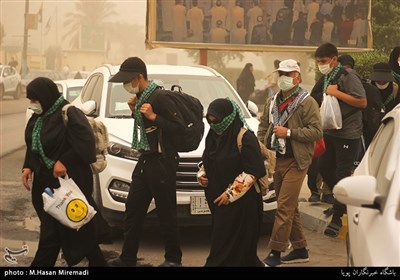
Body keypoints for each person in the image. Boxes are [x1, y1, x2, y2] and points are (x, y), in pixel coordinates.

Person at [22, 77, 106, 266]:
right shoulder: (39, 117)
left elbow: (86, 145)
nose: (32, 105)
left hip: (67, 183)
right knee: (76, 229)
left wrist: (64, 161)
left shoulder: (69, 113)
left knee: (51, 237)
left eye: (34, 100)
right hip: (45, 182)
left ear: (45, 96)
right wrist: (27, 166)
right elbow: (32, 145)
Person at [107, 57, 183, 267]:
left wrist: (153, 116)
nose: (125, 85)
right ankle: (128, 257)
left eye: (128, 80)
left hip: (163, 161)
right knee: (133, 208)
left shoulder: (159, 97)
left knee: (166, 211)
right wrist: (135, 112)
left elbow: (178, 127)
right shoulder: (141, 98)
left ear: (139, 77)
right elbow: (148, 133)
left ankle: (173, 259)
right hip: (146, 160)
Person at [258, 59, 323, 267]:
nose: (284, 78)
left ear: (298, 77)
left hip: (297, 160)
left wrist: (289, 133)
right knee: (291, 206)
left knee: (283, 207)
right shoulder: (273, 100)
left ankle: (275, 252)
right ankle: (300, 249)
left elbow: (316, 131)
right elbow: (264, 125)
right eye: (281, 74)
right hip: (277, 159)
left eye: (288, 74)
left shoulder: (307, 101)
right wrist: (261, 147)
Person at [197, 98, 266, 267]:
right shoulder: (212, 136)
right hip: (220, 204)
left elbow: (253, 170)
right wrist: (202, 173)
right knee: (222, 245)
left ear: (229, 118)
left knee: (237, 252)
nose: (214, 125)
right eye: (210, 121)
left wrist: (230, 194)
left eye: (218, 121)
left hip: (243, 206)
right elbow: (209, 159)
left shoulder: (246, 138)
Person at [311, 43, 367, 238]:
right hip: (331, 131)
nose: (321, 65)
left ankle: (337, 216)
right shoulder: (328, 76)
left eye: (324, 61)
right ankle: (343, 199)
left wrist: (337, 93)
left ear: (334, 60)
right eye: (318, 62)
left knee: (342, 173)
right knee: (324, 168)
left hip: (348, 134)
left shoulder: (348, 76)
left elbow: (362, 102)